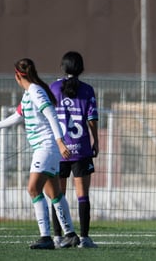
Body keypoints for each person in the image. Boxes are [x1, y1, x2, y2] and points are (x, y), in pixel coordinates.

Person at [0, 58, 80, 249]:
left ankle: (46, 237)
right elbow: (17, 116)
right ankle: (71, 234)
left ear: (17, 76)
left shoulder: (35, 91)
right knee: (54, 192)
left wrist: (59, 141)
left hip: (47, 146)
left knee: (33, 188)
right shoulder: (28, 93)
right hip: (46, 148)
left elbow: (51, 114)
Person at [48, 51, 99, 248]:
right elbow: (92, 119)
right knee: (83, 195)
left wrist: (57, 143)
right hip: (81, 150)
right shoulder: (87, 90)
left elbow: (49, 117)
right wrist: (96, 141)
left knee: (57, 195)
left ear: (63, 67)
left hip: (58, 150)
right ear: (81, 68)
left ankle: (58, 237)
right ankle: (84, 238)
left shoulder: (53, 87)